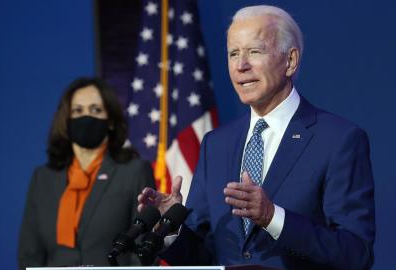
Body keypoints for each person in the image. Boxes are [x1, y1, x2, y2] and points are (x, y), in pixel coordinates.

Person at [137, 5, 375, 270]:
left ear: (290, 60)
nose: (241, 65)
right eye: (233, 53)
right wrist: (171, 227)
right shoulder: (216, 144)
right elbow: (205, 254)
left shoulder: (338, 140)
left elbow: (356, 254)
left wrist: (273, 217)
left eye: (254, 51)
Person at [18, 77, 156, 268]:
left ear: (110, 121)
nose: (86, 117)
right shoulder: (43, 177)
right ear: (66, 120)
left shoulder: (134, 171)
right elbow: (29, 255)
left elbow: (142, 249)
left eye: (96, 110)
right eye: (77, 110)